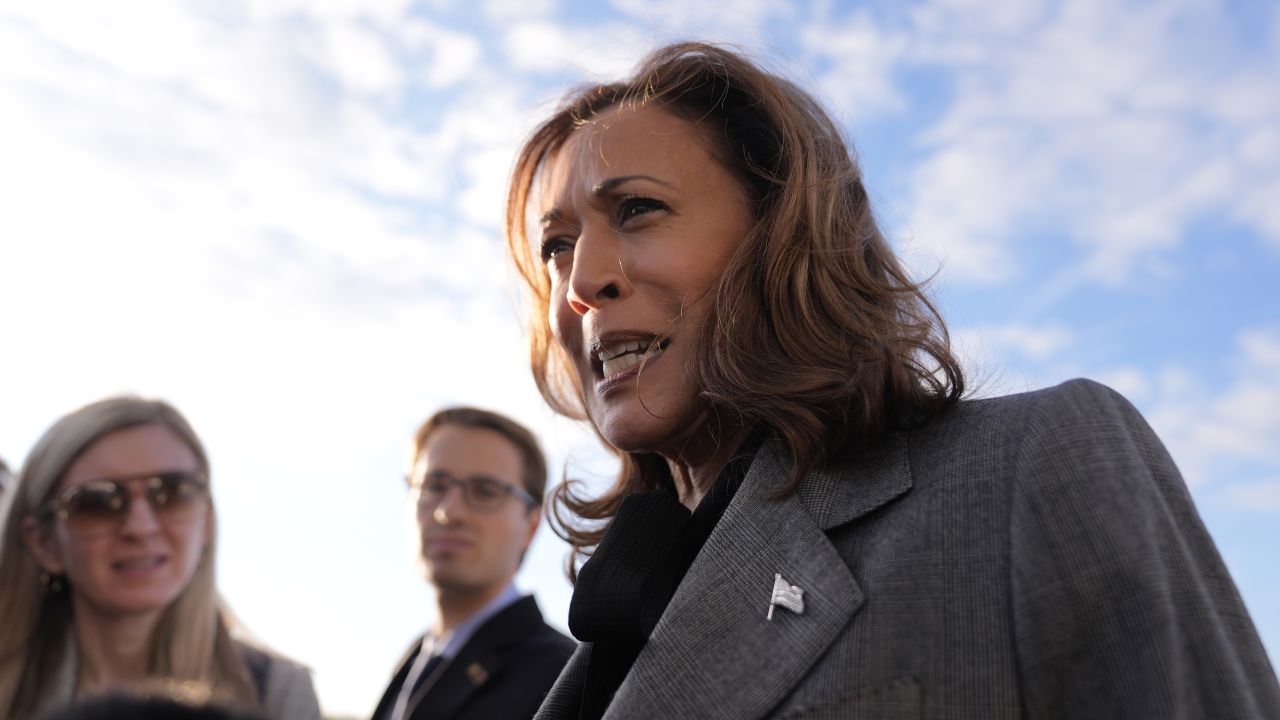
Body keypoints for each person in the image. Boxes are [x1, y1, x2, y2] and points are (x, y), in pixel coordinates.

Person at [503, 42, 1280, 719]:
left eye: (638, 209)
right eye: (557, 246)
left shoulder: (1039, 464)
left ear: (782, 238)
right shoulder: (612, 619)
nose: (581, 280)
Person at [0, 396, 321, 720]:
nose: (141, 527)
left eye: (173, 493)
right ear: (44, 543)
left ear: (206, 524)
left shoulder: (278, 694)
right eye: (97, 500)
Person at [371, 407, 575, 720]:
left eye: (485, 491)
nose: (448, 512)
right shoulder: (415, 659)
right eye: (433, 485)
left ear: (531, 526)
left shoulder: (566, 678)